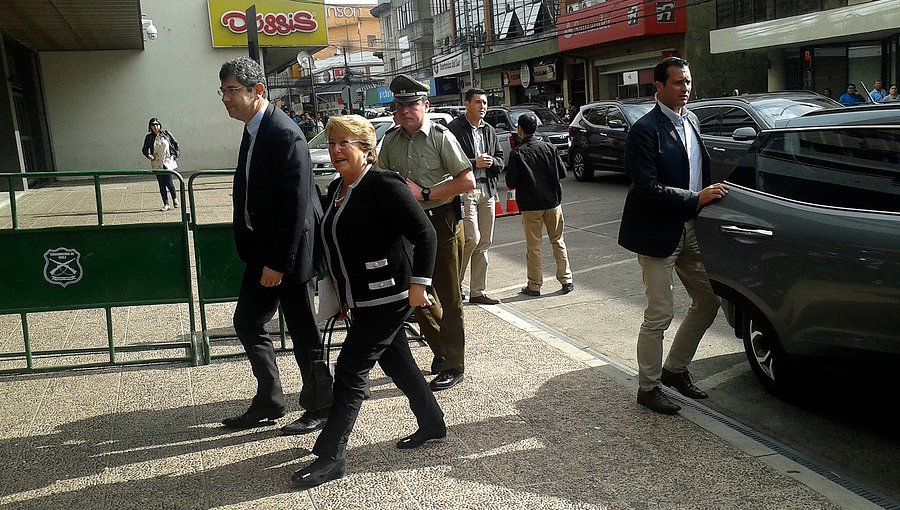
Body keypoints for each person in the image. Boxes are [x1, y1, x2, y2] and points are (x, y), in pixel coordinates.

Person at [290, 115, 446, 490]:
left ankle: (331, 456)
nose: (336, 150)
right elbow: (339, 248)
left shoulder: (383, 183)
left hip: (390, 296)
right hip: (361, 300)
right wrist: (344, 297)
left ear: (366, 148)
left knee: (349, 369)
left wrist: (419, 285)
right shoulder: (339, 188)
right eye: (331, 143)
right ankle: (432, 423)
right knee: (397, 361)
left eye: (345, 142)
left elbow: (425, 235)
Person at [217, 57, 333, 433]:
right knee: (247, 321)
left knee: (303, 334)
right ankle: (269, 400)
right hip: (262, 251)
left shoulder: (283, 133)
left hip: (288, 255)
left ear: (258, 91)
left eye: (233, 90)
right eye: (223, 91)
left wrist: (278, 264)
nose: (226, 99)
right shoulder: (254, 130)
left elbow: (295, 208)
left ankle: (321, 407)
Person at [618, 57, 728, 415]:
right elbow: (646, 187)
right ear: (659, 87)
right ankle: (648, 388)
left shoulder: (692, 120)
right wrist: (695, 198)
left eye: (689, 82)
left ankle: (674, 370)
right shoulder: (644, 130)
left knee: (710, 301)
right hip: (657, 232)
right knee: (660, 313)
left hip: (692, 228)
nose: (685, 88)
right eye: (678, 83)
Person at [378, 74, 474, 392]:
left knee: (448, 296)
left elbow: (467, 182)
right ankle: (442, 351)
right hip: (407, 227)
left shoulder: (440, 136)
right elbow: (382, 181)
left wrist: (427, 193)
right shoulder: (390, 141)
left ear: (425, 105)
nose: (405, 110)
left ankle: (454, 364)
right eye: (399, 105)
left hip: (442, 221)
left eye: (411, 104)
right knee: (416, 294)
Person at [504, 113, 573, 297]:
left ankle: (534, 285)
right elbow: (563, 173)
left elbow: (511, 181)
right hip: (552, 203)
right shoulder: (549, 148)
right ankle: (566, 280)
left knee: (534, 247)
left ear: (520, 130)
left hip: (530, 205)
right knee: (558, 241)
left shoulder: (517, 153)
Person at [448, 88, 504, 306]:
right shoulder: (454, 129)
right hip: (465, 191)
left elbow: (500, 158)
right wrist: (473, 162)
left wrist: (493, 163)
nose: (483, 107)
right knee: (472, 239)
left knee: (486, 242)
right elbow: (448, 161)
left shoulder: (489, 130)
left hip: (487, 190)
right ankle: (455, 285)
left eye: (485, 103)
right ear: (467, 104)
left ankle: (478, 290)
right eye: (479, 102)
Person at [141, 117, 180, 211]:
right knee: (161, 183)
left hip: (167, 160)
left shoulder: (166, 134)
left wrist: (176, 154)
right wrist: (148, 155)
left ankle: (174, 197)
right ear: (150, 127)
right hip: (156, 161)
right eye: (153, 125)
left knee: (169, 181)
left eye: (157, 124)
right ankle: (166, 203)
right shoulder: (149, 137)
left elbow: (175, 143)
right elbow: (144, 149)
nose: (155, 126)